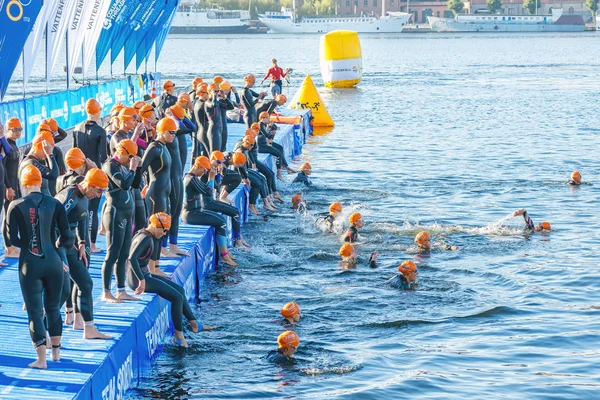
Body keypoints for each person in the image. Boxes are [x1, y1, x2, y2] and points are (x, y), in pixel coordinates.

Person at [5, 165, 70, 368]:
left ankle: (41, 360)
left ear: (23, 184)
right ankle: (56, 354)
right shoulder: (55, 203)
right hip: (53, 261)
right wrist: (54, 248)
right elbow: (67, 236)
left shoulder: (15, 205)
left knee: (35, 312)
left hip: (29, 263)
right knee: (52, 308)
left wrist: (27, 244)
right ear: (41, 182)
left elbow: (10, 238)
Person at [127, 212, 215, 347]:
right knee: (176, 298)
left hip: (143, 275)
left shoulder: (144, 234)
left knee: (179, 289)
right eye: (164, 231)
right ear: (157, 226)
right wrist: (142, 281)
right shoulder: (145, 238)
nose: (164, 234)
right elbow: (132, 259)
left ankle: (194, 323)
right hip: (138, 279)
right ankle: (178, 336)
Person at [55, 168, 111, 340]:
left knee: (86, 283)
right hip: (58, 246)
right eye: (98, 190)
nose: (99, 195)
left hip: (71, 246)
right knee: (62, 290)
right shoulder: (69, 197)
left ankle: (88, 327)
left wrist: (82, 243)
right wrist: (56, 252)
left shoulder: (85, 197)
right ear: (88, 184)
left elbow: (82, 222)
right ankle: (47, 335)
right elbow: (51, 223)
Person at [101, 139, 142, 303]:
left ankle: (121, 290)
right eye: (130, 156)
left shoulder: (125, 166)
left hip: (126, 213)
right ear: (122, 152)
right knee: (112, 253)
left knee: (124, 253)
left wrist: (137, 169)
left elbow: (136, 184)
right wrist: (132, 169)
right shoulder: (109, 165)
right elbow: (123, 184)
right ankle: (106, 292)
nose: (131, 160)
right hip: (115, 212)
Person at [182, 156, 237, 266]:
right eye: (204, 170)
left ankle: (225, 252)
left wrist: (211, 179)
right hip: (191, 214)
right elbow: (208, 192)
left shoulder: (192, 178)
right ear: (198, 166)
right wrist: (211, 178)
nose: (204, 173)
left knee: (220, 219)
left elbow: (207, 189)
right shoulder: (191, 179)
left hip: (195, 212)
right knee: (221, 222)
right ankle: (224, 256)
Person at [140, 118, 175, 274]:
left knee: (163, 228)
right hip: (155, 194)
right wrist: (144, 186)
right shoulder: (153, 148)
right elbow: (141, 169)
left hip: (163, 193)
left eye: (175, 132)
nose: (174, 135)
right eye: (171, 132)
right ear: (162, 131)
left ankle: (156, 266)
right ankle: (152, 268)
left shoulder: (164, 147)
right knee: (156, 229)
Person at [72, 99, 107, 253]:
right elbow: (104, 157)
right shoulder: (100, 131)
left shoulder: (77, 128)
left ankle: (79, 242)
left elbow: (73, 152)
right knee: (92, 210)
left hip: (79, 174)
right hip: (94, 174)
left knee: (79, 208)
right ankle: (92, 245)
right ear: (98, 111)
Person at [202, 151, 250, 248]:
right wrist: (213, 177)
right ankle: (236, 241)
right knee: (234, 213)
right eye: (219, 162)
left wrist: (218, 174)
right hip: (206, 204)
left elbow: (217, 187)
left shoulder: (215, 169)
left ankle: (238, 238)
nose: (220, 164)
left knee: (235, 212)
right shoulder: (206, 172)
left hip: (211, 201)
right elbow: (209, 191)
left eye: (221, 162)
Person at [233, 134, 277, 213]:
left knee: (262, 179)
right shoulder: (240, 151)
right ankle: (251, 204)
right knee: (257, 184)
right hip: (239, 173)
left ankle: (267, 201)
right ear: (246, 143)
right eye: (252, 145)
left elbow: (249, 153)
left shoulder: (245, 146)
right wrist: (245, 178)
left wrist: (253, 163)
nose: (253, 147)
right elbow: (240, 167)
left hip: (245, 170)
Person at [3, 117, 23, 258]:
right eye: (14, 129)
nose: (17, 132)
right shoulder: (4, 145)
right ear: (7, 130)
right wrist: (8, 187)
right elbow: (2, 169)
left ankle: (12, 244)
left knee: (13, 216)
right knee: (7, 217)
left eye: (19, 129)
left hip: (15, 184)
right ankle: (8, 248)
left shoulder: (14, 145)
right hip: (7, 186)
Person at [217, 80, 236, 152]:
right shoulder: (220, 99)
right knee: (221, 145)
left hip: (222, 122)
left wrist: (230, 94)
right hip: (220, 123)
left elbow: (233, 104)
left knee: (223, 144)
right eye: (228, 90)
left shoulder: (223, 98)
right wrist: (235, 93)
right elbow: (231, 107)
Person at [193, 85, 210, 161]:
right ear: (202, 94)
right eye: (208, 93)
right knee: (208, 156)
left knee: (202, 154)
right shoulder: (203, 105)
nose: (209, 95)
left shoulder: (197, 102)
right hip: (205, 132)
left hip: (200, 131)